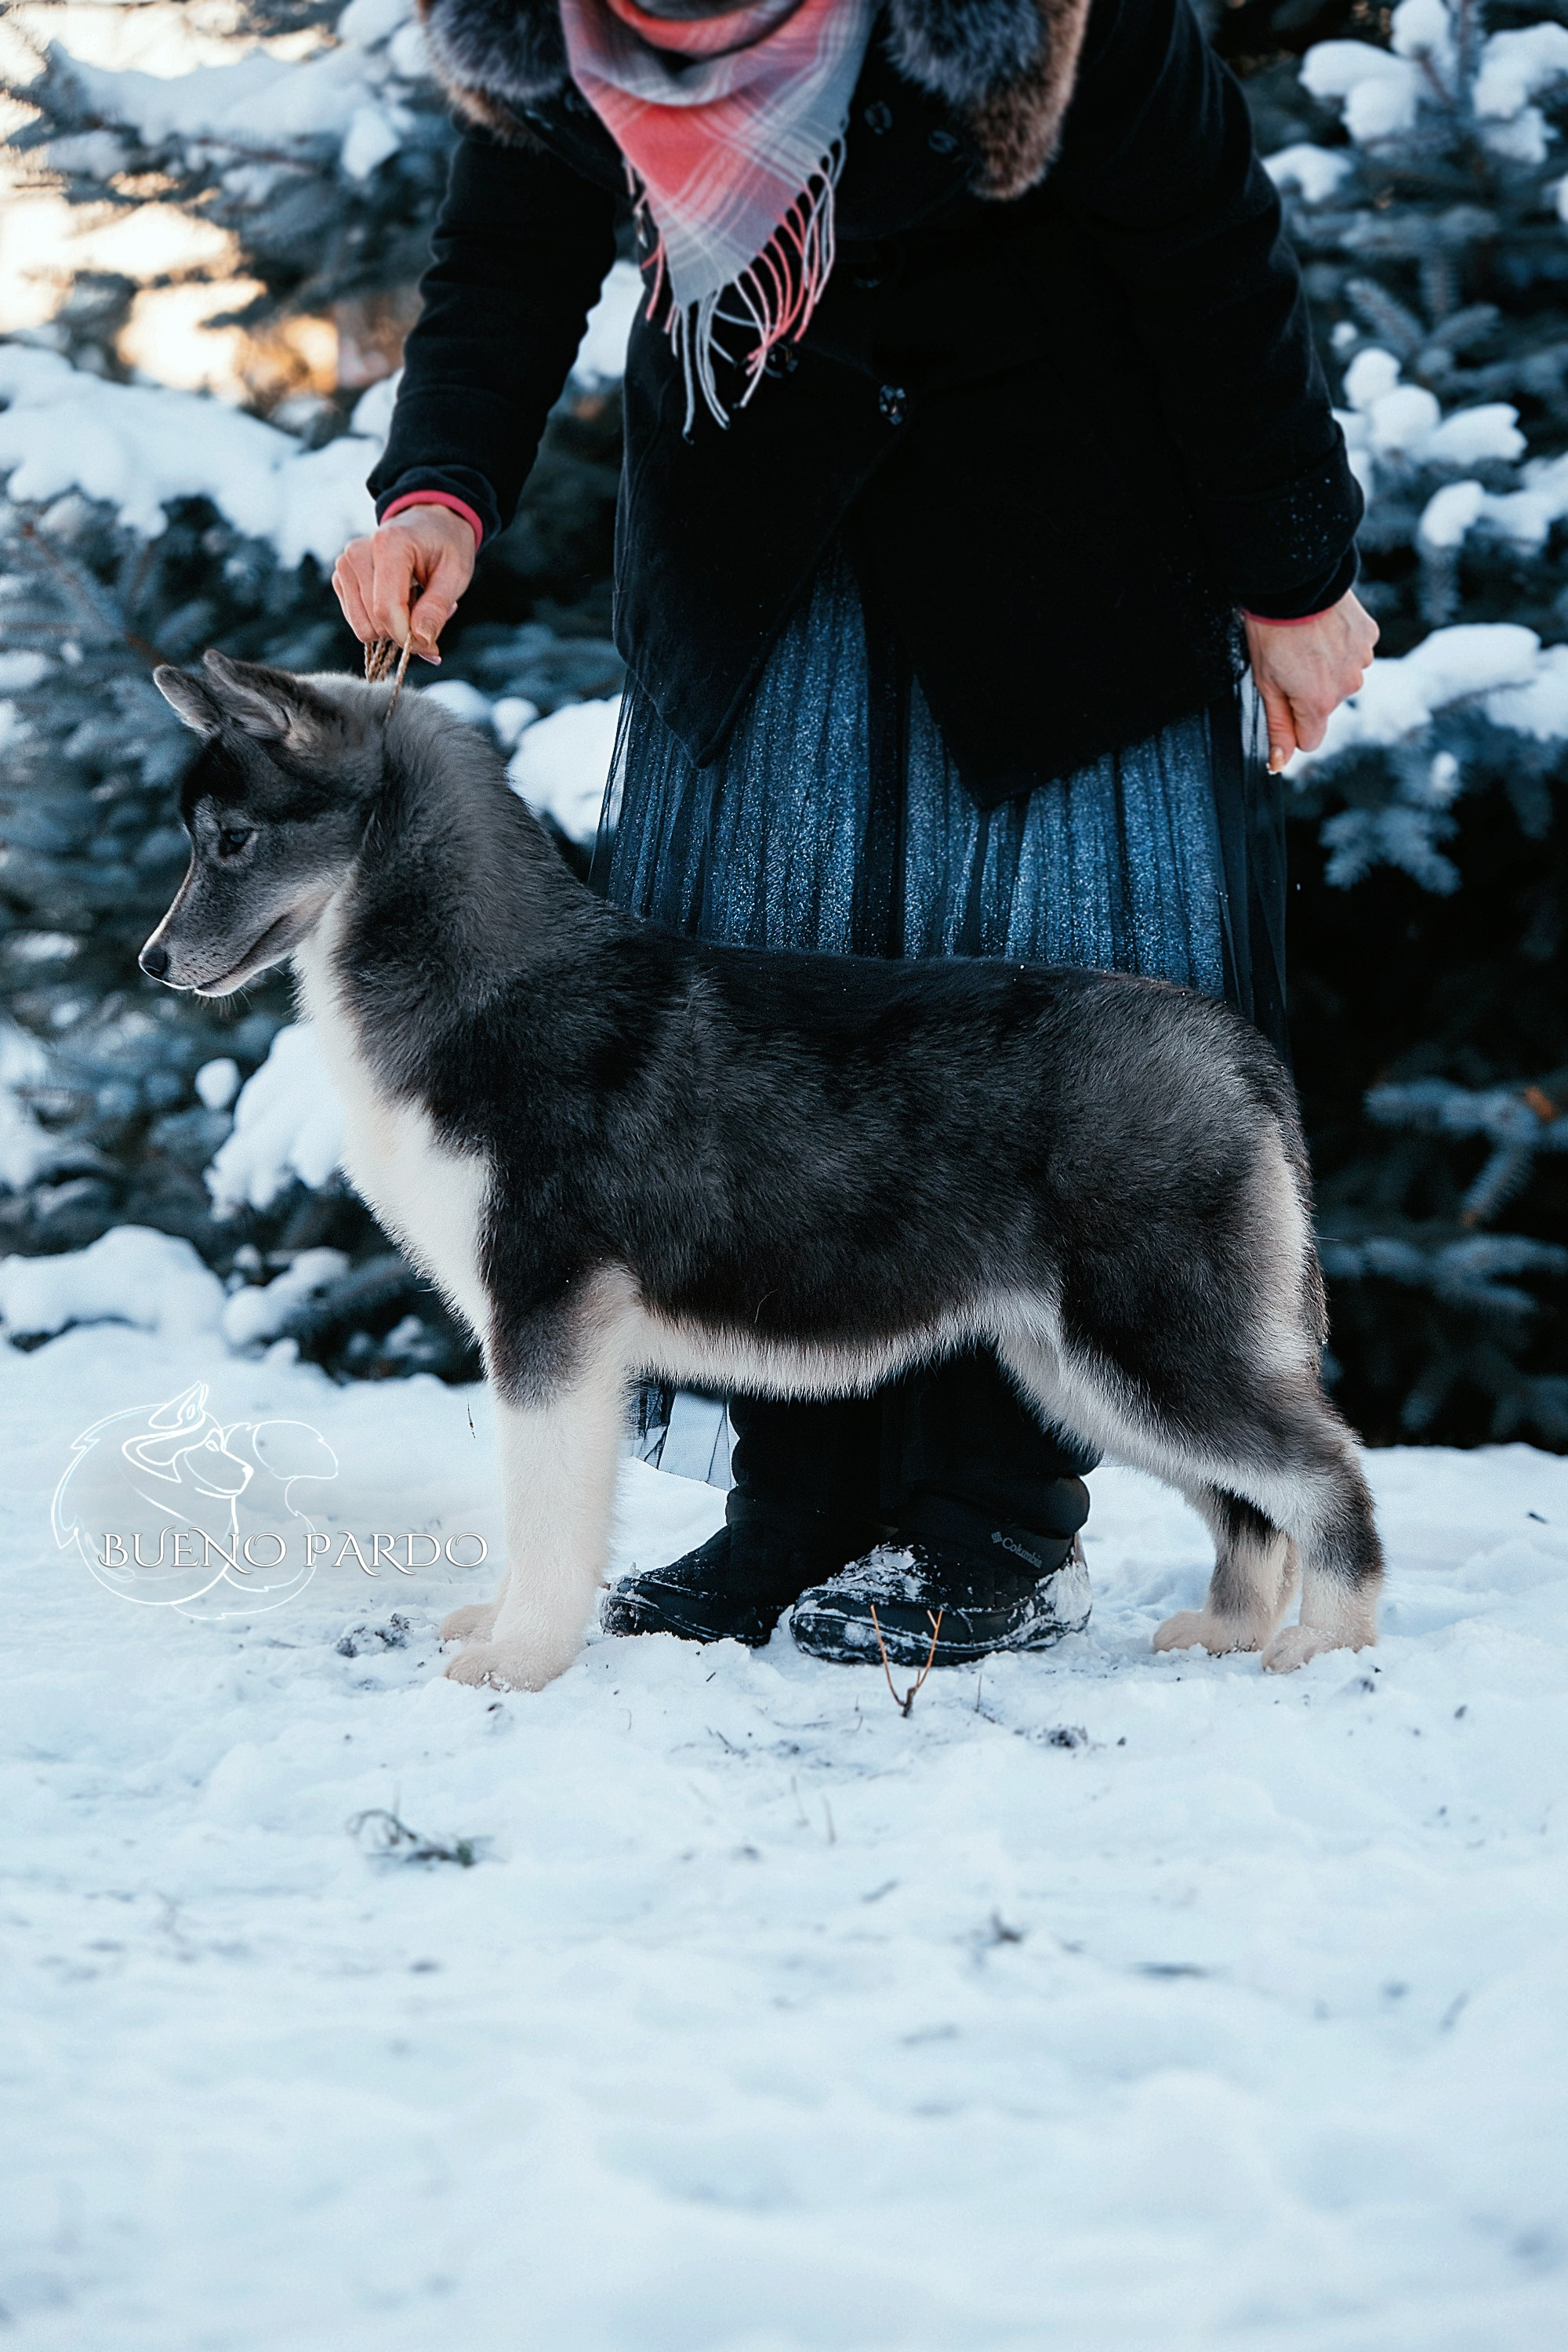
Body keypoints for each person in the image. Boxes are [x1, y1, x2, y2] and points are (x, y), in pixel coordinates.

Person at [332, 0, 1377, 1669]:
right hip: (756, 557)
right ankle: (794, 1508)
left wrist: (1294, 574)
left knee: (1031, 1042)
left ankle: (994, 1528)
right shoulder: (549, 35)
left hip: (1057, 551)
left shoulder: (1037, 15)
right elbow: (509, 251)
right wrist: (437, 488)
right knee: (748, 1061)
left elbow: (1207, 249)